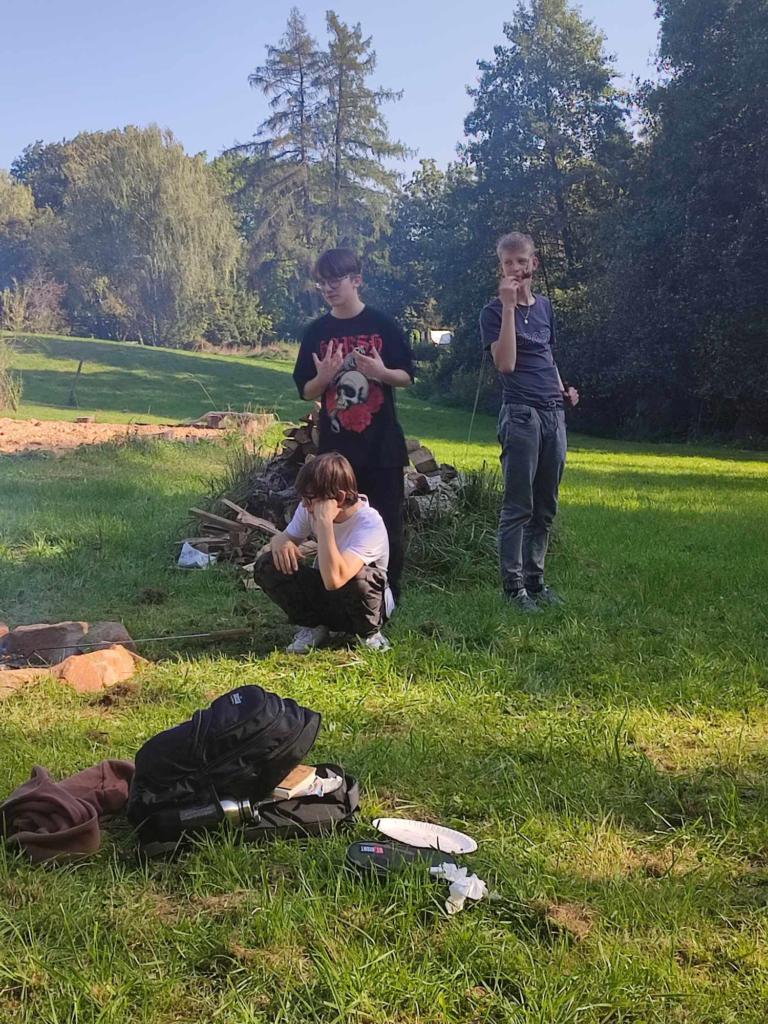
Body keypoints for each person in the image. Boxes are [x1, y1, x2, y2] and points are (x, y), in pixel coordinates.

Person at [292, 248, 414, 601]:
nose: (328, 289)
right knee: (333, 523)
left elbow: (407, 376)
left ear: (357, 280)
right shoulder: (316, 332)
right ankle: (336, 594)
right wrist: (324, 377)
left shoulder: (382, 325)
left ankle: (387, 597)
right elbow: (305, 390)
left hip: (382, 447)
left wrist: (380, 372)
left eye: (335, 281)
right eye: (322, 283)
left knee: (388, 524)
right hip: (336, 451)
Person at [479, 232, 580, 612]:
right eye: (508, 263)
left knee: (545, 506)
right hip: (521, 414)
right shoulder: (493, 312)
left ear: (534, 263)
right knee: (518, 505)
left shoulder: (545, 308)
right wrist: (508, 308)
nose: (515, 269)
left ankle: (536, 582)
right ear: (501, 267)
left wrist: (563, 389)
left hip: (553, 413)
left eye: (521, 261)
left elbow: (546, 355)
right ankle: (513, 588)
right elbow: (505, 364)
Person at [253, 452, 393, 654]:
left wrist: (325, 523)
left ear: (339, 498)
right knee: (267, 565)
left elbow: (335, 579)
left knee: (358, 577)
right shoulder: (308, 509)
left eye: (310, 499)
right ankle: (313, 627)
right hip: (326, 595)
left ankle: (369, 635)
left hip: (365, 606)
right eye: (303, 498)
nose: (304, 505)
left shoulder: (370, 525)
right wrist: (280, 543)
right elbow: (285, 537)